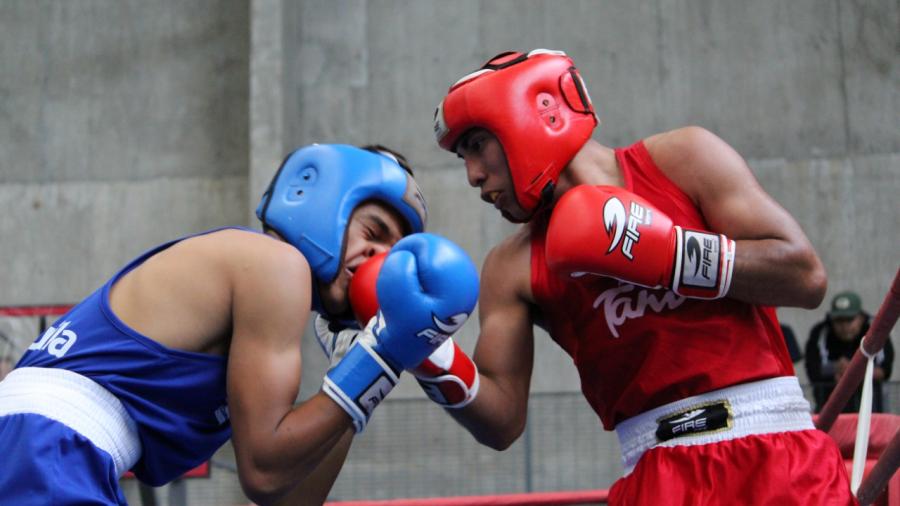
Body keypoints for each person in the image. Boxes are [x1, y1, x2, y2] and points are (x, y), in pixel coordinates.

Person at [428, 49, 854, 504]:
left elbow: (805, 277)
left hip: (778, 454)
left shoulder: (682, 159)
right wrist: (424, 350)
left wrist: (669, 254)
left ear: (533, 114)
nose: (473, 176)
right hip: (658, 475)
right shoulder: (511, 266)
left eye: (476, 145)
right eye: (461, 158)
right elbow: (502, 421)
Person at [0, 144, 479, 506]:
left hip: (40, 450)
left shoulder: (259, 306)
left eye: (392, 254)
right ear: (323, 200)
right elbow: (264, 470)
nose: (379, 260)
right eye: (373, 233)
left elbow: (287, 497)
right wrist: (382, 358)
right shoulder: (274, 264)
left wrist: (360, 369)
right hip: (46, 452)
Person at [805, 290, 894, 413]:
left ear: (861, 318)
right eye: (839, 321)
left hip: (871, 411)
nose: (844, 326)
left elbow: (885, 369)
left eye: (849, 320)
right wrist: (835, 368)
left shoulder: (875, 329)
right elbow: (813, 370)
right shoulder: (821, 332)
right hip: (830, 411)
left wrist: (852, 371)